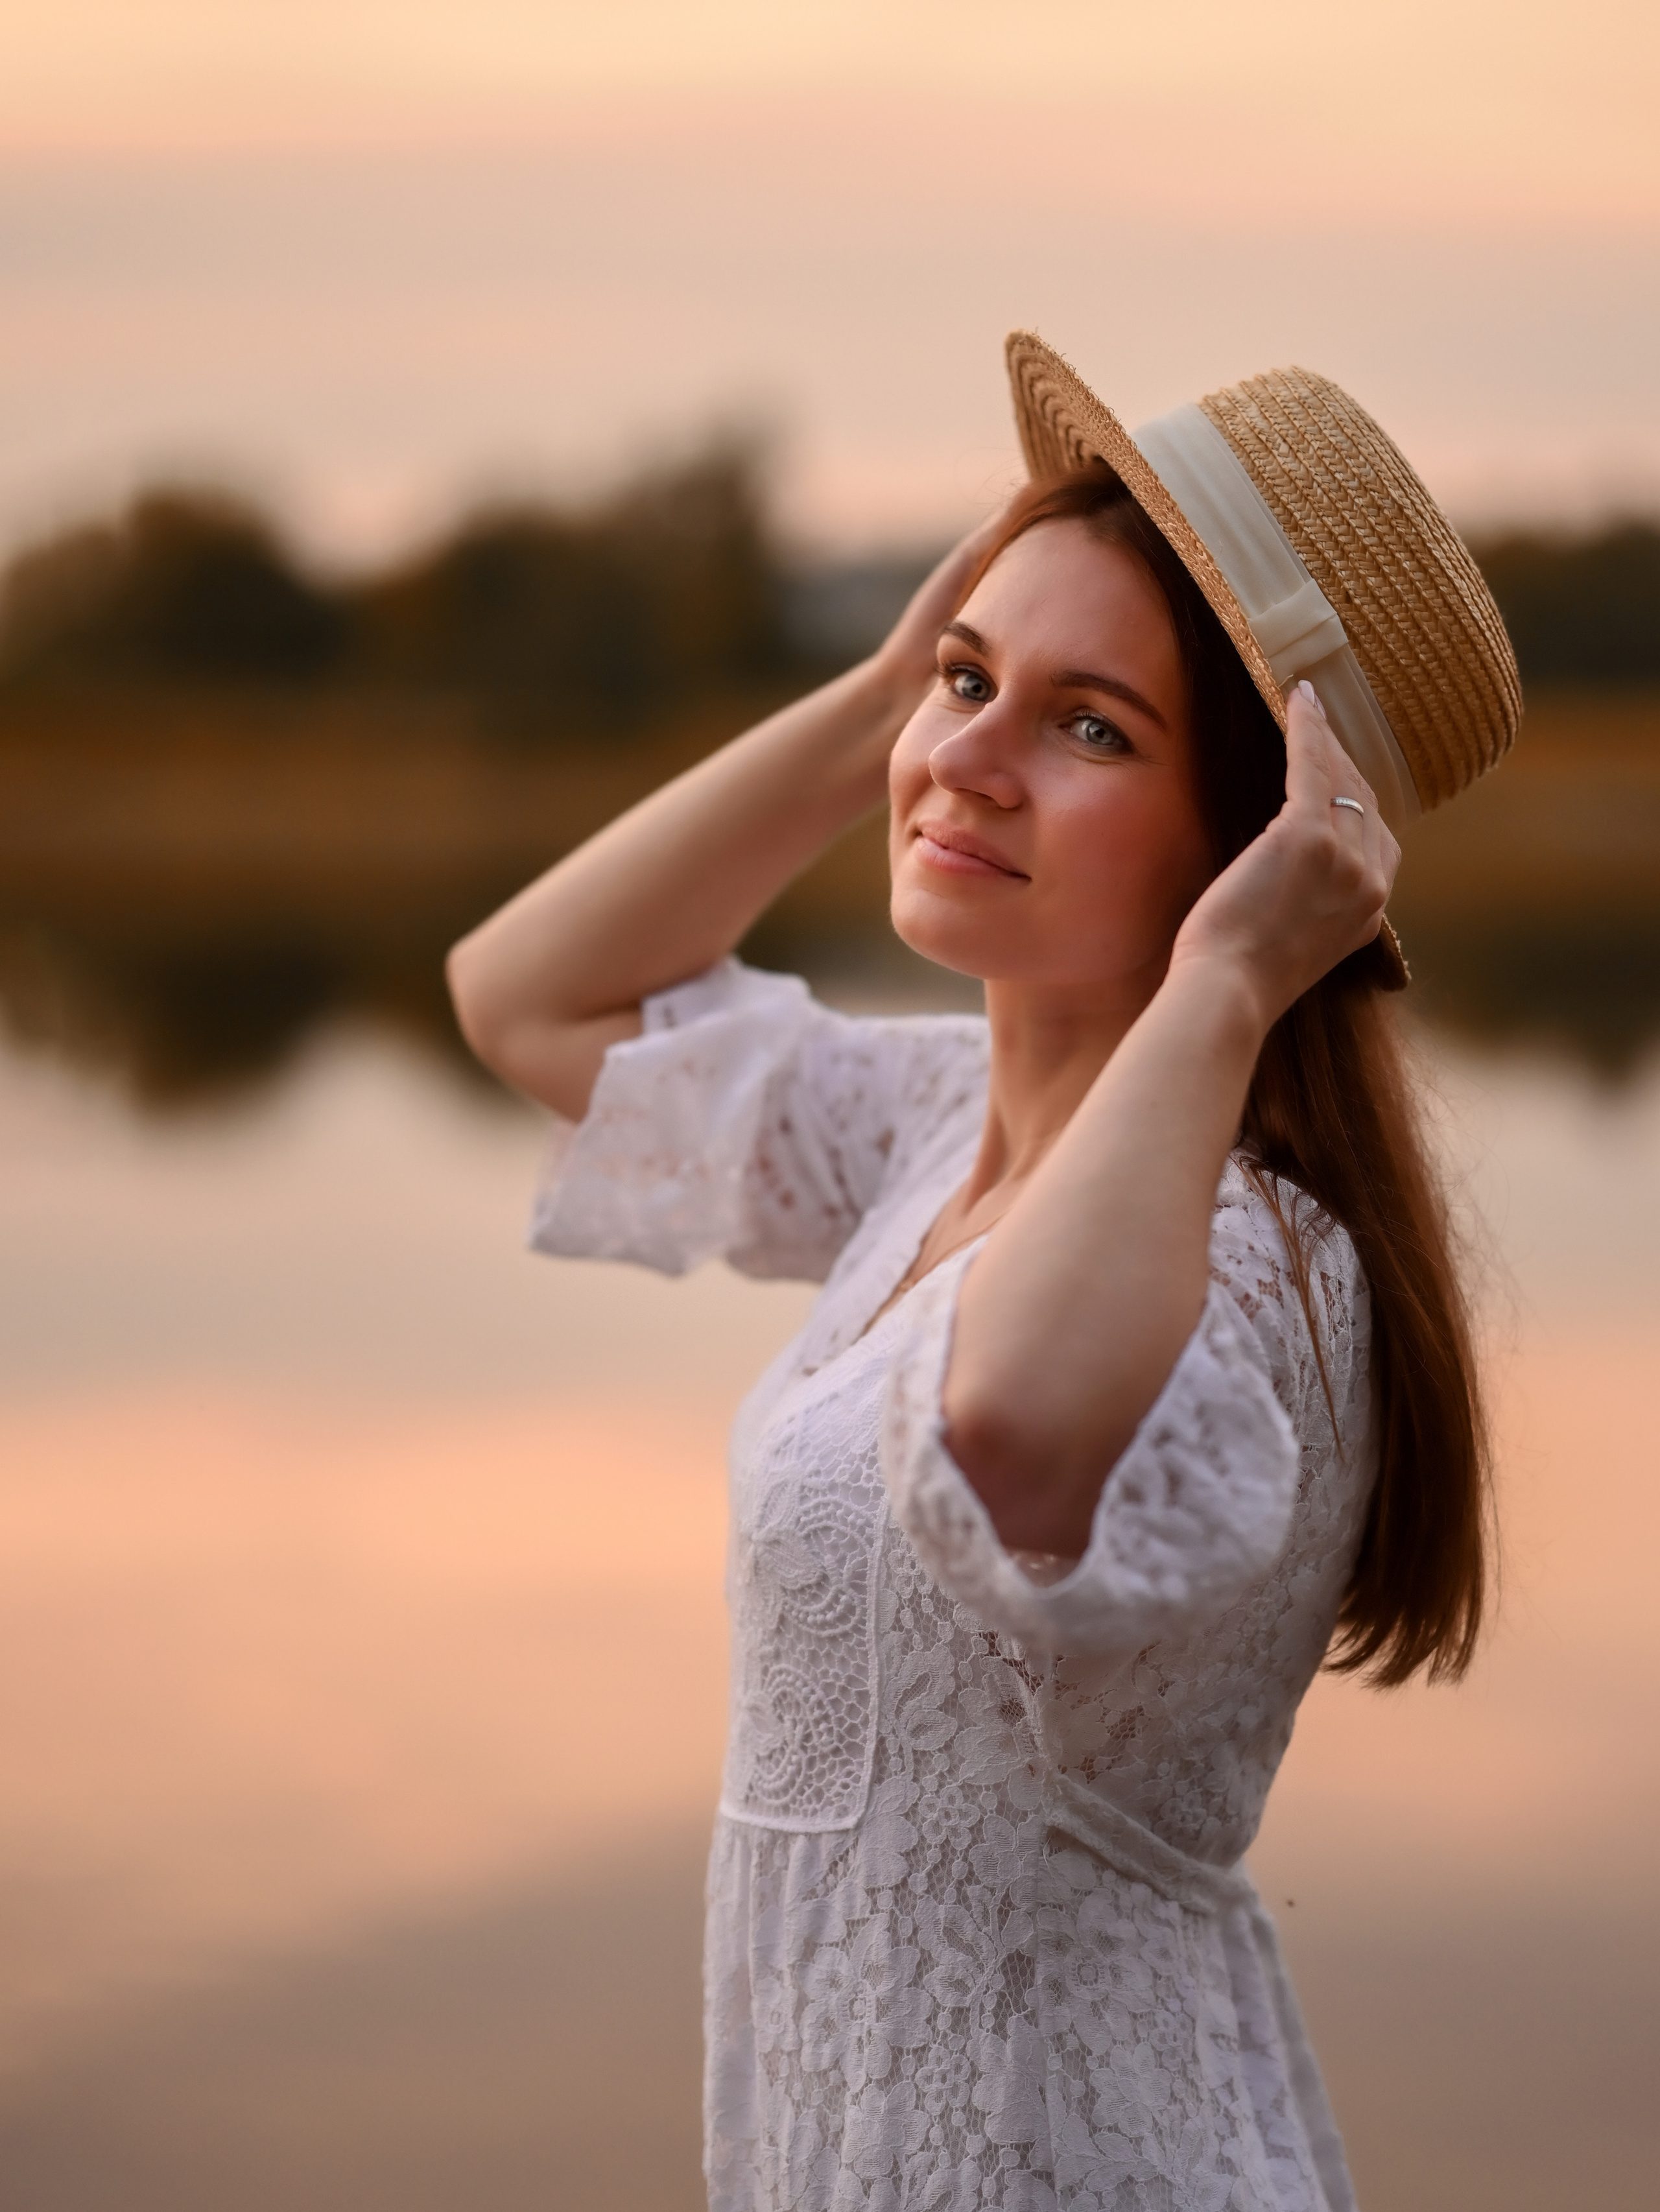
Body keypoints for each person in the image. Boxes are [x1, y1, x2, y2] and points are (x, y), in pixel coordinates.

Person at [446, 333, 1521, 2212]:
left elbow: (1009, 1425)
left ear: (1261, 838)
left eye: (1089, 725)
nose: (963, 764)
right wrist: (883, 688)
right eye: (971, 678)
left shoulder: (1258, 1250)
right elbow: (523, 992)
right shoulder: (930, 1130)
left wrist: (1228, 982)